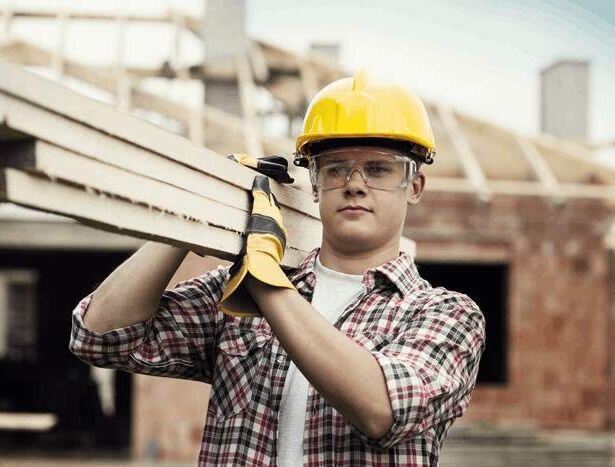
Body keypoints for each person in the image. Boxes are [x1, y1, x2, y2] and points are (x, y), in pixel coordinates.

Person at [69, 70, 485, 466]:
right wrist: (196, 212)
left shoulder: (446, 314)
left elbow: (382, 409)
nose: (354, 183)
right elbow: (100, 336)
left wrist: (262, 281)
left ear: (414, 186)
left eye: (377, 168)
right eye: (336, 167)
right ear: (315, 182)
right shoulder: (236, 291)